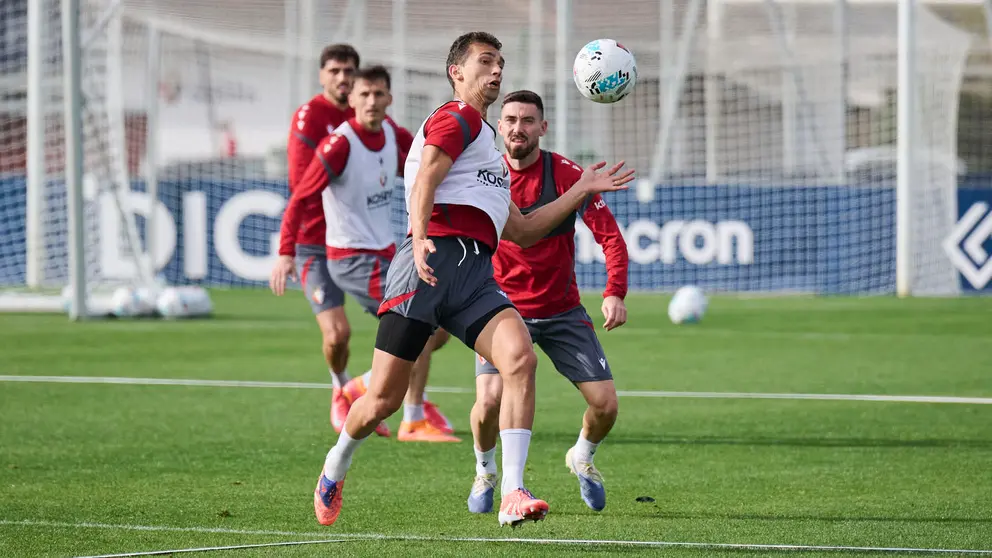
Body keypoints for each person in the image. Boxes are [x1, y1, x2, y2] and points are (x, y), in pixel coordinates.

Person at [312, 31, 635, 528]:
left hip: (476, 277)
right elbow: (425, 179)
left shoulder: (486, 146)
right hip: (427, 264)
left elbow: (524, 231)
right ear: (456, 72)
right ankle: (336, 465)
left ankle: (512, 492)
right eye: (485, 62)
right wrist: (419, 236)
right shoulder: (457, 116)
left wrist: (582, 188)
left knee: (519, 358)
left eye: (501, 63)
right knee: (382, 401)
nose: (497, 71)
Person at [467, 90, 628, 515]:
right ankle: (486, 470)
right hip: (499, 310)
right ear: (499, 126)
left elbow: (610, 236)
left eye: (527, 120)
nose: (518, 128)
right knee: (487, 402)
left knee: (606, 405)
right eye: (511, 120)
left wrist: (614, 291)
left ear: (543, 127)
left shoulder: (567, 174)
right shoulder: (485, 173)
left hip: (561, 310)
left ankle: (582, 456)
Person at [284, 45, 452, 438]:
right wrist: (286, 249)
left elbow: (418, 162)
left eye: (351, 73)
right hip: (322, 244)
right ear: (324, 76)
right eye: (336, 71)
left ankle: (359, 390)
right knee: (348, 332)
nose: (345, 80)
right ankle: (394, 406)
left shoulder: (381, 127)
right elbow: (302, 190)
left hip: (377, 248)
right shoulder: (319, 124)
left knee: (435, 323)